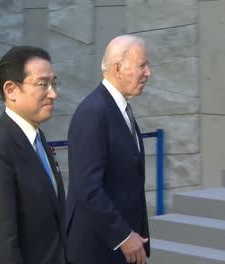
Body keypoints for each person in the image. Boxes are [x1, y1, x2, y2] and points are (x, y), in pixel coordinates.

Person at [0, 46, 67, 264]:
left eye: (54, 83)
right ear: (11, 90)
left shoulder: (38, 138)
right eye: (43, 84)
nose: (53, 93)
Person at [66, 35, 152, 264]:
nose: (148, 72)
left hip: (122, 249)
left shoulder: (120, 109)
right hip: (97, 251)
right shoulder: (93, 113)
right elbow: (87, 189)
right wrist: (124, 236)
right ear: (117, 68)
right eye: (141, 65)